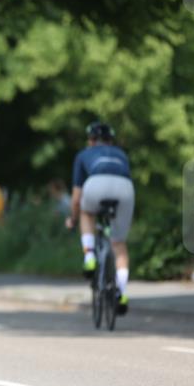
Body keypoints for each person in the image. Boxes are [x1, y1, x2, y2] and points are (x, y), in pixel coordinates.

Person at [65, 121, 134, 314]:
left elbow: (77, 197)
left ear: (91, 140)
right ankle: (122, 291)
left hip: (96, 184)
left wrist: (73, 218)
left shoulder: (84, 155)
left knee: (87, 212)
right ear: (110, 140)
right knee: (119, 244)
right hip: (125, 188)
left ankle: (89, 256)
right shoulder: (122, 154)